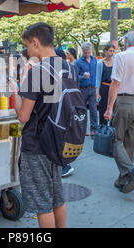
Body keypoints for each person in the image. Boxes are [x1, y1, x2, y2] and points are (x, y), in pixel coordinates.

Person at [9, 22, 72, 228]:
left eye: (27, 46)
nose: (27, 51)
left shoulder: (37, 72)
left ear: (35, 42)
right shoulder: (69, 68)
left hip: (37, 145)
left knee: (42, 204)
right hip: (61, 140)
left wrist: (16, 93)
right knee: (57, 197)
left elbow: (24, 116)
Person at [104, 31, 134, 193]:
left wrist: (109, 107)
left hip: (125, 101)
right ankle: (124, 179)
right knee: (130, 142)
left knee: (115, 140)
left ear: (125, 42)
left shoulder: (121, 57)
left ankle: (130, 172)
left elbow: (116, 83)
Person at [55, 47, 74, 178]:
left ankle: (64, 166)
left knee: (59, 136)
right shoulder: (71, 69)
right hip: (70, 106)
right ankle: (65, 164)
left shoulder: (58, 70)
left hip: (61, 107)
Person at [75, 42, 98, 136]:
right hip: (82, 88)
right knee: (82, 109)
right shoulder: (78, 62)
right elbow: (75, 76)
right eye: (85, 53)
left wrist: (97, 90)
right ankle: (82, 129)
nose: (87, 54)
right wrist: (82, 77)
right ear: (83, 52)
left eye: (89, 52)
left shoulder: (94, 60)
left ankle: (94, 129)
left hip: (92, 88)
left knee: (93, 109)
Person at [96, 44, 115, 126]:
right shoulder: (100, 63)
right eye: (110, 51)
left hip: (113, 88)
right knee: (102, 110)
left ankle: (112, 132)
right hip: (103, 89)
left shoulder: (116, 62)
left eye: (113, 51)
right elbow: (98, 79)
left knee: (113, 110)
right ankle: (102, 131)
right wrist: (97, 93)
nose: (112, 53)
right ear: (105, 51)